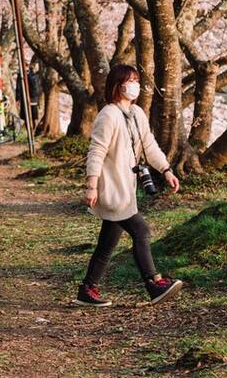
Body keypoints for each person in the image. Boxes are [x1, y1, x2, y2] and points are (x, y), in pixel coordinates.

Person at [78, 64, 182, 308]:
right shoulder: (108, 114)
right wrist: (92, 185)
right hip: (112, 188)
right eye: (129, 80)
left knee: (108, 242)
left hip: (127, 186)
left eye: (136, 80)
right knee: (141, 231)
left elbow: (149, 145)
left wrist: (166, 170)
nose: (134, 85)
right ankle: (153, 283)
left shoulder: (137, 114)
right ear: (117, 85)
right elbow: (96, 150)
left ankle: (87, 289)